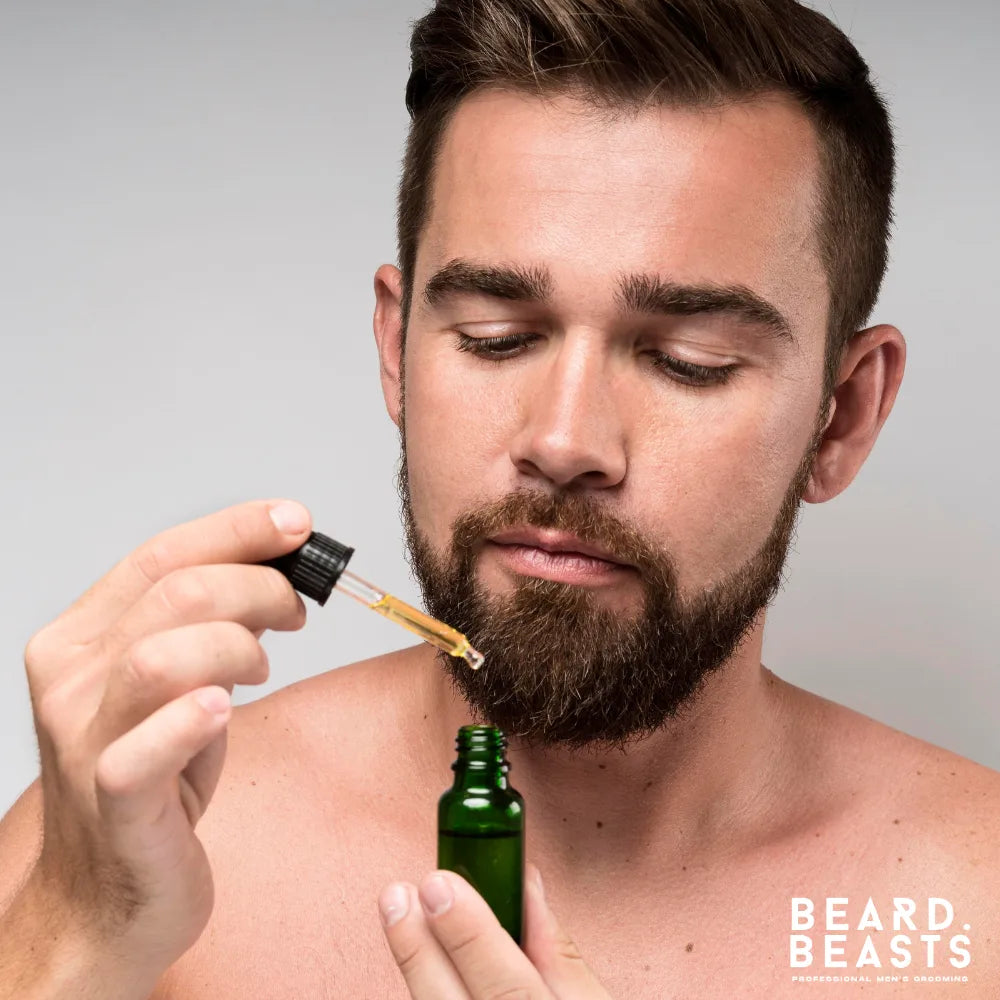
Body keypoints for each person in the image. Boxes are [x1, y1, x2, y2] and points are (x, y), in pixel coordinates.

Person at [1, 0, 998, 996]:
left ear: (842, 416)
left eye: (688, 362)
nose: (563, 442)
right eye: (495, 337)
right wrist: (69, 944)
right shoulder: (124, 848)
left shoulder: (974, 911)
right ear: (397, 351)